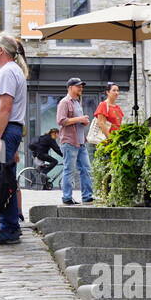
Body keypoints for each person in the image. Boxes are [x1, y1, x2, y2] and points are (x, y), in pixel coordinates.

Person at [0, 34, 29, 245]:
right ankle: (6, 220)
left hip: (3, 130)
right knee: (3, 175)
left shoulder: (8, 71)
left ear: (0, 50)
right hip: (8, 131)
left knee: (1, 178)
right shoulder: (12, 71)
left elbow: (5, 108)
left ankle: (9, 226)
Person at [57, 77, 93, 205]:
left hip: (81, 142)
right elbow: (61, 121)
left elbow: (76, 121)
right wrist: (79, 119)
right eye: (78, 86)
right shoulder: (64, 102)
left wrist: (83, 121)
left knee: (86, 169)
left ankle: (87, 196)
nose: (81, 88)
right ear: (70, 88)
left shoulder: (77, 102)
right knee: (69, 170)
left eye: (81, 86)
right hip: (69, 142)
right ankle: (67, 197)